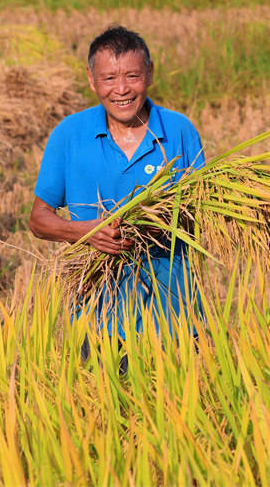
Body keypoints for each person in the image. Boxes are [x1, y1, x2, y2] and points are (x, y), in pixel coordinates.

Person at [29, 25, 205, 362]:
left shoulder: (179, 130)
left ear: (150, 74)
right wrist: (85, 232)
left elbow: (203, 212)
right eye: (109, 79)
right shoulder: (69, 134)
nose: (121, 90)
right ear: (92, 79)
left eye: (132, 76)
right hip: (98, 319)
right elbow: (38, 219)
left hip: (175, 318)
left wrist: (158, 223)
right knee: (100, 409)